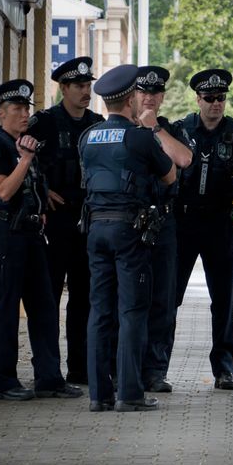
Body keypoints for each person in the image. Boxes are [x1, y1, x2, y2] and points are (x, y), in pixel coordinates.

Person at [79, 65, 176, 412]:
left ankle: (98, 395)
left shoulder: (88, 136)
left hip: (95, 229)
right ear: (132, 98)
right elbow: (169, 176)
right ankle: (130, 394)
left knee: (100, 312)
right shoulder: (138, 137)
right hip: (129, 231)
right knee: (132, 311)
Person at [0, 79, 83, 401]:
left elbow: (33, 189)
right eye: (18, 109)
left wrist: (40, 206)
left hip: (33, 236)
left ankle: (49, 379)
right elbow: (3, 191)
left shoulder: (28, 145)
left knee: (44, 307)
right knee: (7, 308)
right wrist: (24, 160)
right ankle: (4, 382)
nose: (25, 114)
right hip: (7, 235)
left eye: (27, 108)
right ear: (1, 114)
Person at [174, 68, 233, 390]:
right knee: (170, 298)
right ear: (198, 99)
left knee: (223, 300)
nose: (216, 104)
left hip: (221, 224)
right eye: (209, 98)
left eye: (221, 98)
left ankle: (225, 370)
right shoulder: (180, 131)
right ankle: (155, 367)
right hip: (183, 223)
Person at [26, 56, 104, 385]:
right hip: (55, 223)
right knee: (49, 297)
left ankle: (80, 368)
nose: (87, 92)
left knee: (84, 299)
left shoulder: (99, 124)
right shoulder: (43, 123)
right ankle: (47, 370)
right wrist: (42, 193)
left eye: (89, 86)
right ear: (64, 88)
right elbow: (22, 161)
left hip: (87, 223)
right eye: (80, 86)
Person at [131, 65, 193, 393]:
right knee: (127, 299)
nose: (149, 97)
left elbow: (184, 160)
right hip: (129, 222)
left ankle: (155, 370)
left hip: (164, 223)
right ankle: (123, 368)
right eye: (143, 91)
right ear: (133, 94)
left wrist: (155, 130)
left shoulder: (171, 130)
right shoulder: (122, 127)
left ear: (163, 97)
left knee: (163, 301)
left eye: (155, 92)